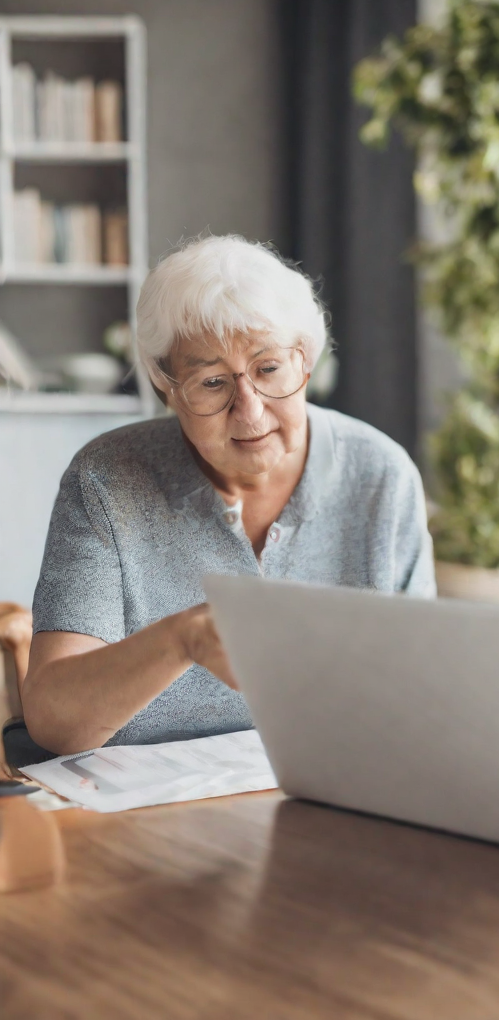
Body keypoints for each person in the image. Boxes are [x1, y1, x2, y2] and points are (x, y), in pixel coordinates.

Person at [21, 235, 434, 756]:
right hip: (144, 810)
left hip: (332, 789)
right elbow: (54, 721)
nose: (250, 411)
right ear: (165, 386)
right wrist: (181, 639)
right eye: (213, 382)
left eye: (269, 369)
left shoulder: (381, 475)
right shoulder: (106, 481)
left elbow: (421, 694)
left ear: (305, 362)